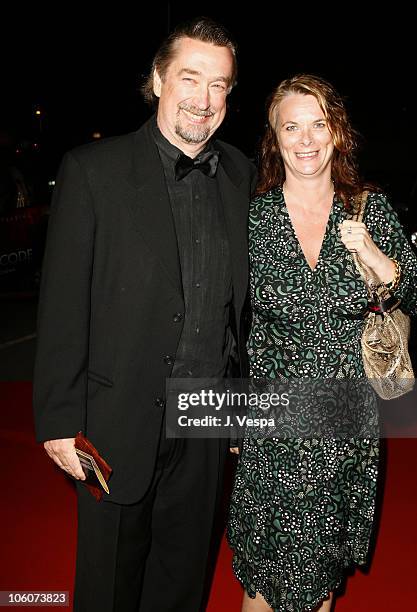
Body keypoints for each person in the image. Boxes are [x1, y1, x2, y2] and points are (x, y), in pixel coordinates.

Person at [33, 17, 256, 612]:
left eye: (219, 85)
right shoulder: (92, 171)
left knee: (182, 581)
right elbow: (62, 302)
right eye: (190, 78)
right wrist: (58, 415)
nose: (204, 99)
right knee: (108, 584)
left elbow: (246, 309)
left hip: (208, 418)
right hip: (115, 415)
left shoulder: (241, 174)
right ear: (158, 80)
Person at [227, 74, 417, 611]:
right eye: (292, 126)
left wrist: (383, 265)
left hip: (341, 418)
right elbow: (229, 320)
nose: (306, 139)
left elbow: (416, 293)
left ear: (337, 133)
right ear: (274, 137)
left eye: (319, 124)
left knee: (314, 579)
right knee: (261, 575)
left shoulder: (369, 209)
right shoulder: (252, 216)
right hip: (274, 421)